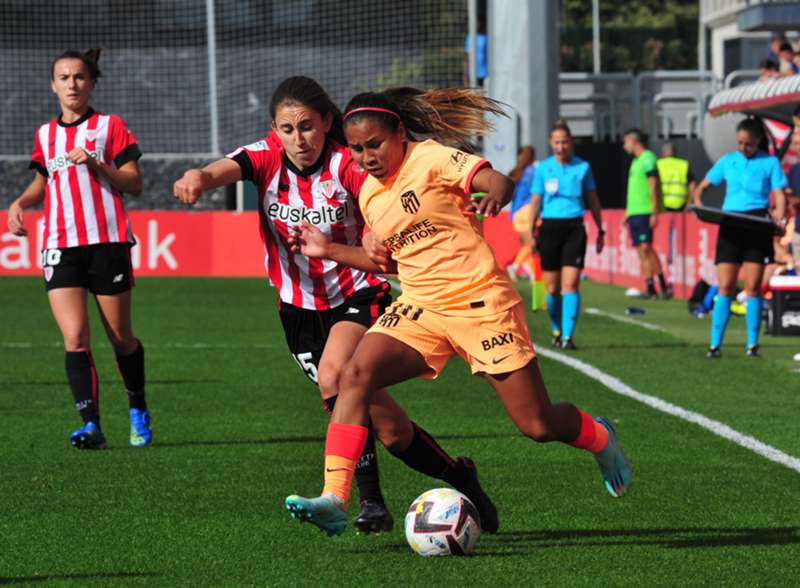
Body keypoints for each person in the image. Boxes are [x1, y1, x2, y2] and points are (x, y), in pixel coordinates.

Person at [284, 87, 632, 537]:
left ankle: (600, 437)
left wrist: (494, 196)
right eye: (357, 149)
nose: (367, 156)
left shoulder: (431, 158)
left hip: (480, 304)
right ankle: (335, 498)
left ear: (400, 134)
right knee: (354, 374)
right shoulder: (370, 194)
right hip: (421, 307)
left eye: (375, 145)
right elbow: (387, 262)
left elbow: (498, 181)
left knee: (537, 424)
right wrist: (328, 248)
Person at [173, 76, 497, 534]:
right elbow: (220, 170)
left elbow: (375, 206)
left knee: (336, 375)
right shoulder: (266, 157)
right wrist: (196, 178)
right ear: (275, 130)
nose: (298, 139)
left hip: (359, 291)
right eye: (287, 129)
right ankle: (459, 477)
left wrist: (371, 235)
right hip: (297, 310)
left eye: (307, 126)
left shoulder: (347, 162)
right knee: (390, 428)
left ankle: (362, 502)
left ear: (327, 122)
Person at [6, 49, 151, 449]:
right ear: (53, 85)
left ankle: (137, 405)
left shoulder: (110, 127)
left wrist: (96, 164)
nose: (72, 84)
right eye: (64, 78)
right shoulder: (44, 135)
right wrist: (20, 203)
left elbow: (134, 183)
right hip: (60, 244)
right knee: (74, 338)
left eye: (79, 77)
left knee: (121, 337)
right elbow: (43, 183)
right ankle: (91, 425)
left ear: (91, 82)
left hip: (106, 242)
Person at [692, 117, 788, 358]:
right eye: (740, 143)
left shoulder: (770, 162)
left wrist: (779, 214)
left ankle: (752, 344)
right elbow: (702, 187)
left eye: (749, 144)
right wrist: (698, 203)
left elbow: (779, 195)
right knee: (725, 286)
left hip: (757, 224)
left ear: (758, 141)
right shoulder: (728, 161)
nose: (744, 148)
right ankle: (715, 345)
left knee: (753, 287)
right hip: (731, 224)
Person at [530, 120, 605, 350]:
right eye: (557, 142)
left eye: (564, 142)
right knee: (552, 288)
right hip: (550, 228)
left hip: (574, 227)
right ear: (550, 143)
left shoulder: (583, 167)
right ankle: (556, 327)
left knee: (570, 284)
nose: (561, 146)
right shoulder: (542, 169)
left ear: (571, 142)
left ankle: (567, 337)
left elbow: (592, 199)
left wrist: (600, 228)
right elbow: (536, 201)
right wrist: (531, 230)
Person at [623, 128, 672, 299]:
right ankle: (650, 288)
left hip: (645, 211)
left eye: (626, 142)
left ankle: (664, 285)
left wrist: (654, 212)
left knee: (647, 248)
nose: (624, 146)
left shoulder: (648, 158)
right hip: (634, 212)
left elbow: (653, 186)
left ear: (634, 141)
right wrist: (627, 212)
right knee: (640, 251)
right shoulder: (635, 162)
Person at [507, 145, 537, 280]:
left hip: (516, 213)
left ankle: (531, 272)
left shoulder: (515, 172)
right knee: (532, 244)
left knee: (527, 245)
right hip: (528, 212)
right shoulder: (533, 171)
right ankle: (515, 266)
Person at [657, 143, 695, 213]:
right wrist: (689, 203)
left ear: (662, 153)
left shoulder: (657, 164)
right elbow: (692, 184)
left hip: (662, 206)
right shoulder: (683, 165)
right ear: (675, 153)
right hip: (680, 205)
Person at [463, 16, 488, 87]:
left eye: (478, 22)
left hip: (487, 74)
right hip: (473, 75)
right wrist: (465, 77)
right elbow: (466, 57)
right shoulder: (470, 37)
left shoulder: (487, 37)